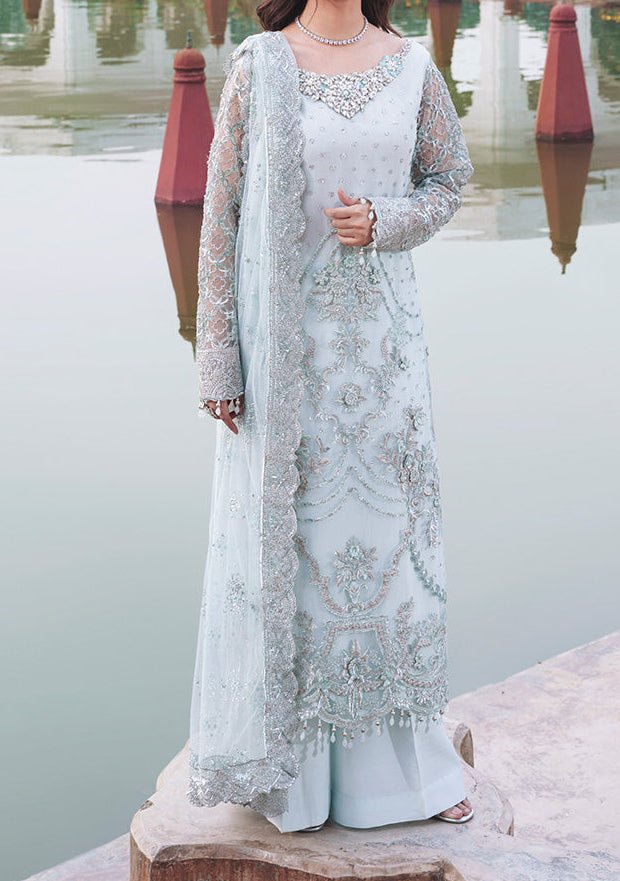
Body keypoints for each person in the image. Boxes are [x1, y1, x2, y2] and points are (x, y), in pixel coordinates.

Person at [187, 0, 475, 831]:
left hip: (383, 361)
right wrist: (219, 357)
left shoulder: (412, 67)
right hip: (288, 362)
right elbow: (219, 215)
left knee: (387, 548)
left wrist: (386, 221)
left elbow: (448, 180)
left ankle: (405, 773)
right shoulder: (260, 66)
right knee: (302, 547)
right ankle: (295, 774)